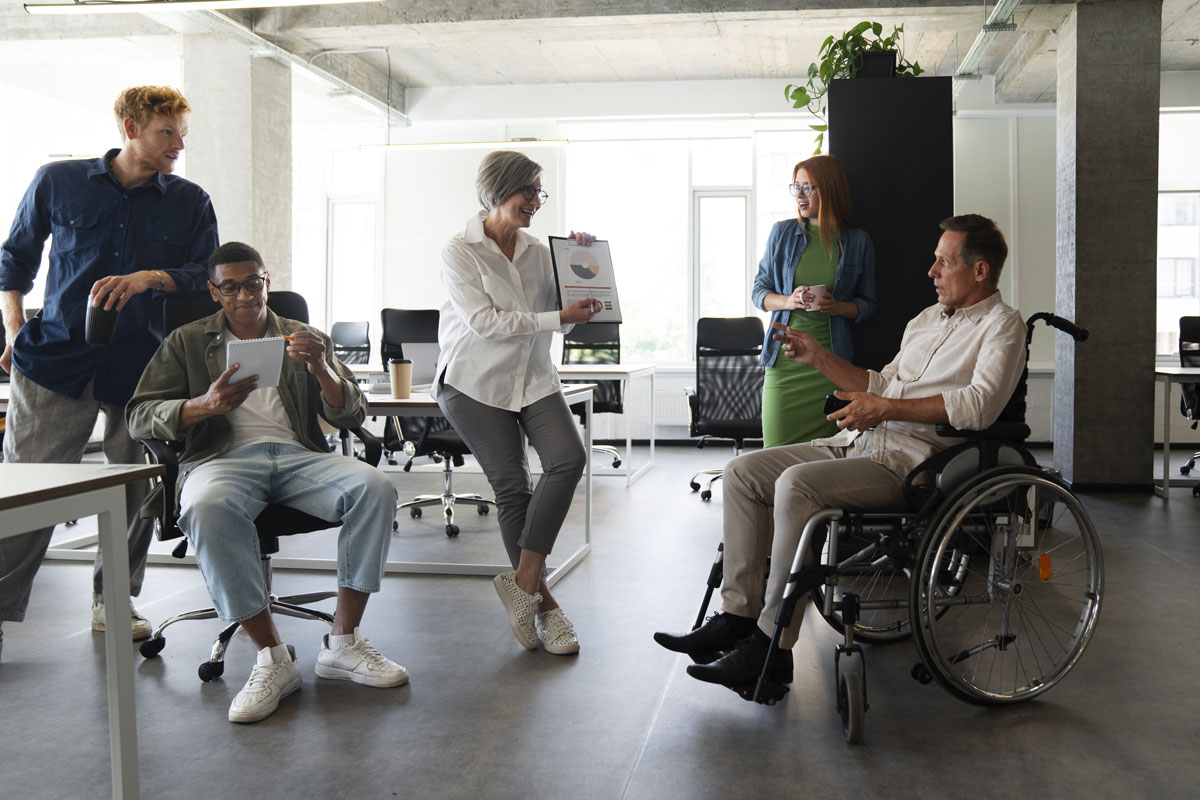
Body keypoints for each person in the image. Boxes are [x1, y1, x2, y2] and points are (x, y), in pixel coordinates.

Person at [654, 214, 1026, 691]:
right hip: (862, 444)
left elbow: (978, 406)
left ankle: (771, 646)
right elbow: (880, 383)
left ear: (979, 271)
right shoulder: (927, 320)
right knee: (742, 472)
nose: (931, 272)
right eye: (934, 261)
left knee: (796, 485)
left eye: (944, 262)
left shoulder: (1003, 326)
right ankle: (738, 618)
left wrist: (886, 408)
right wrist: (819, 357)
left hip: (916, 464)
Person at [126, 242, 407, 723]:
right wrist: (203, 406)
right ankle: (272, 659)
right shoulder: (187, 342)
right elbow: (139, 416)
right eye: (230, 287)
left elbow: (353, 412)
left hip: (299, 457)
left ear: (266, 281)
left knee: (375, 488)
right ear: (214, 292)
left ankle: (343, 643)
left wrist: (321, 368)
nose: (244, 295)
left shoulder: (305, 336)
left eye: (252, 283)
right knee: (207, 506)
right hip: (223, 459)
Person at [0, 85, 218, 652]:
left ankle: (113, 601)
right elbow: (15, 258)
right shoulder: (58, 181)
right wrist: (13, 326)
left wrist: (151, 277)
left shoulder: (190, 200)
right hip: (53, 358)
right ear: (130, 127)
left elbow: (206, 275)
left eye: (182, 134)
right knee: (29, 487)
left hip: (143, 367)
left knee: (135, 491)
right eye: (166, 133)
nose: (178, 145)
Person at [435, 150, 600, 656]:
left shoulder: (539, 251)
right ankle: (547, 607)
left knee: (568, 459)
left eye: (538, 191)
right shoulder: (459, 250)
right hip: (472, 380)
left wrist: (581, 266)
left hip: (532, 376)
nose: (535, 201)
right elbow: (484, 323)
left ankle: (522, 584)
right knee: (512, 486)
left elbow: (562, 315)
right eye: (527, 190)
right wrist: (556, 317)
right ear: (497, 189)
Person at [754, 154, 876, 447]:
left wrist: (838, 307)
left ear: (830, 189)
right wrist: (789, 301)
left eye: (808, 187)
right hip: (784, 364)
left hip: (832, 365)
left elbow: (868, 303)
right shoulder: (781, 233)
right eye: (795, 187)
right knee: (773, 454)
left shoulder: (858, 241)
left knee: (827, 458)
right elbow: (759, 293)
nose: (799, 195)